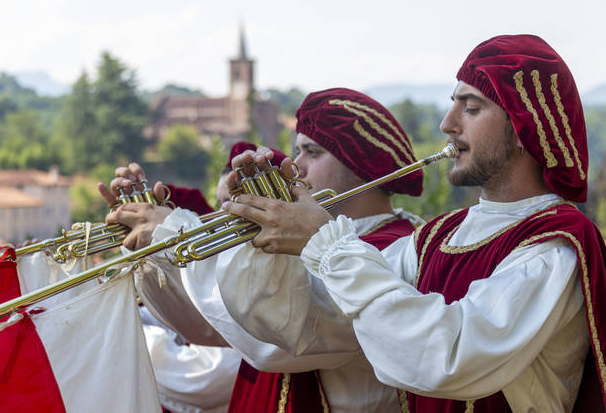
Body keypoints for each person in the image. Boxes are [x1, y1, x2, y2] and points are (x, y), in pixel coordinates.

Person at [220, 35, 606, 412]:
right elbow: (313, 326)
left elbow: (451, 358)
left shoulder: (555, 245)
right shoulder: (435, 237)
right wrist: (265, 228)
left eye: (470, 108)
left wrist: (326, 242)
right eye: (452, 105)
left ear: (524, 127)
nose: (447, 124)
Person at [104, 88, 425, 412]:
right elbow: (208, 327)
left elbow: (281, 343)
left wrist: (176, 233)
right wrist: (156, 248)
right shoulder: (305, 238)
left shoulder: (394, 248)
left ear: (360, 163)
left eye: (312, 153)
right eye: (296, 151)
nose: (296, 167)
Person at [99, 141, 286, 413]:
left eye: (238, 201)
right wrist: (148, 253)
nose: (224, 213)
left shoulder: (266, 276)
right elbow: (187, 316)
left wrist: (115, 328)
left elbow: (205, 377)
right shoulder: (226, 264)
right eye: (222, 202)